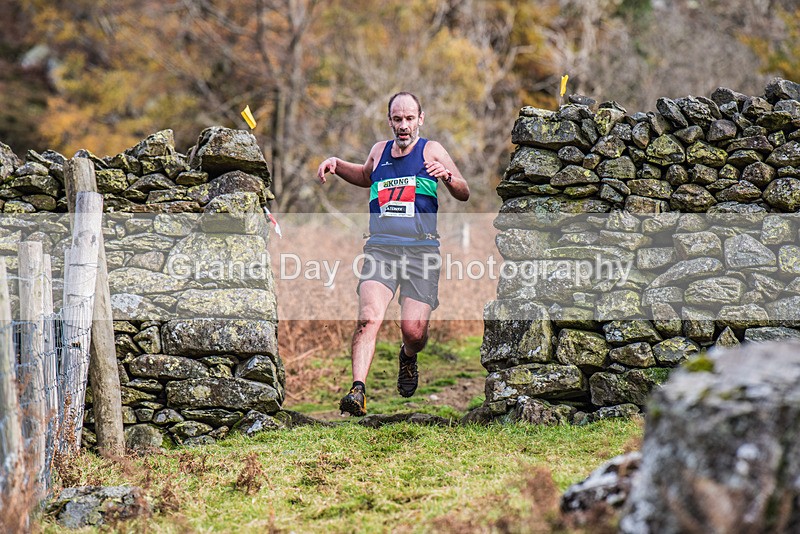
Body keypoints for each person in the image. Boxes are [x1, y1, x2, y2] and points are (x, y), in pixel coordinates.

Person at [316, 92, 470, 416]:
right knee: (368, 318)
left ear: (420, 119)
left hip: (421, 251)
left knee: (413, 332)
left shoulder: (432, 150)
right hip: (381, 249)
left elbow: (464, 191)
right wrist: (337, 165)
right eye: (397, 119)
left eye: (409, 118)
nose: (403, 125)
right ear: (389, 121)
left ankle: (408, 355)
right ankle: (357, 391)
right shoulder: (379, 151)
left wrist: (447, 176)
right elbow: (365, 175)